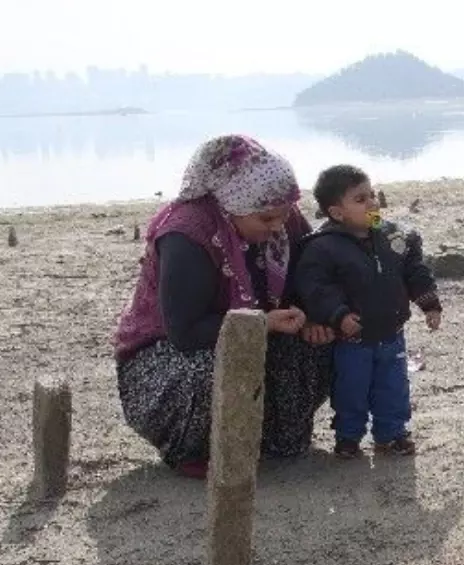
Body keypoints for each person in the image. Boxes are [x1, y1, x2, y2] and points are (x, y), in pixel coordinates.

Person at [112, 135, 336, 478]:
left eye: (284, 214)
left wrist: (313, 317)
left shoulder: (282, 216)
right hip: (167, 358)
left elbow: (312, 276)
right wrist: (261, 323)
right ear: (233, 206)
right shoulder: (187, 234)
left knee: (327, 339)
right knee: (211, 365)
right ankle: (194, 450)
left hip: (262, 331)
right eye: (266, 219)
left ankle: (275, 439)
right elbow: (185, 332)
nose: (278, 226)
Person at [292, 165, 442, 458]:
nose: (373, 203)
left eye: (372, 194)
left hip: (392, 333)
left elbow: (415, 271)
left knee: (393, 388)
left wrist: (429, 304)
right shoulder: (323, 248)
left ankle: (392, 433)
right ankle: (348, 436)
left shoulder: (393, 237)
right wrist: (339, 315)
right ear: (337, 213)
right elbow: (316, 288)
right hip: (353, 338)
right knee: (351, 390)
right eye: (361, 200)